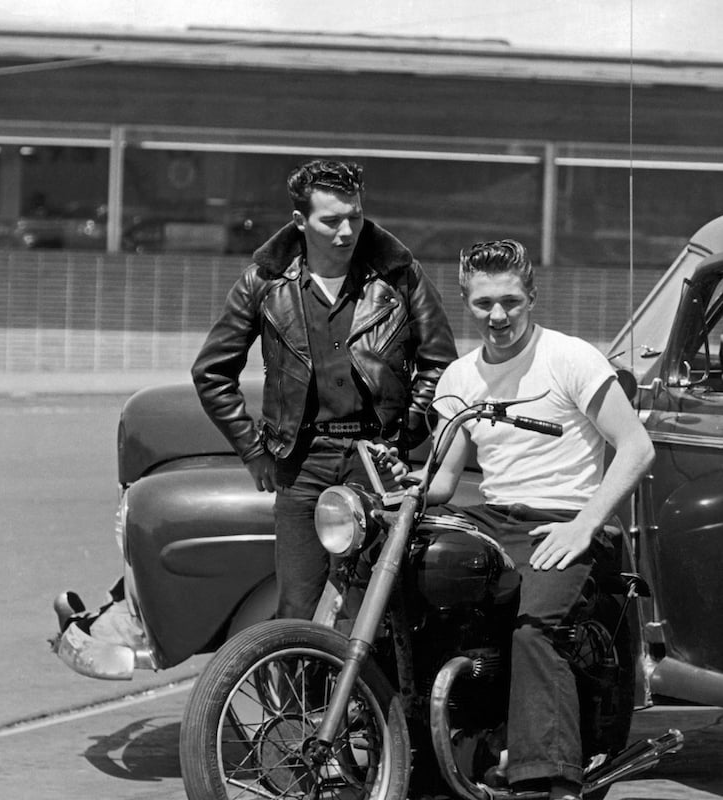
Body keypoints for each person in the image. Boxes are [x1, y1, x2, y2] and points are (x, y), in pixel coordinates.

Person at [419, 239, 655, 800]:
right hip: (496, 518)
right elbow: (445, 479)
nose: (497, 316)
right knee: (418, 594)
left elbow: (636, 448)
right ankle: (423, 751)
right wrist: (404, 490)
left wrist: (583, 525)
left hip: (568, 516)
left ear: (532, 298)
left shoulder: (569, 358)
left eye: (510, 302)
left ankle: (545, 779)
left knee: (534, 629)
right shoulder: (458, 377)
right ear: (465, 302)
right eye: (482, 304)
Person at [191, 159, 457, 620]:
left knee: (370, 607)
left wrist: (403, 437)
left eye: (354, 216)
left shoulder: (400, 276)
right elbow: (212, 372)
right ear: (300, 221)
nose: (346, 230)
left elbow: (441, 365)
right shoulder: (264, 282)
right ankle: (305, 695)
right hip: (299, 464)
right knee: (299, 606)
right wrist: (254, 452)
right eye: (331, 220)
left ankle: (372, 695)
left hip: (375, 461)